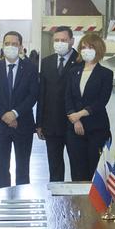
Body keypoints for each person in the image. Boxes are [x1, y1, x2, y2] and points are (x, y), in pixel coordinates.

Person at [0, 31, 38, 189]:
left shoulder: (31, 69)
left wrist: (14, 113)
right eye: (7, 43)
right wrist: (4, 115)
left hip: (23, 125)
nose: (10, 47)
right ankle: (3, 198)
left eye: (14, 44)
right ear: (2, 46)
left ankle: (22, 199)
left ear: (21, 46)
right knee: (1, 168)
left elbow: (32, 95)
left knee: (23, 167)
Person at [64, 33, 114, 182]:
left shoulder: (106, 74)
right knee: (77, 170)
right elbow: (68, 97)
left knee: (95, 170)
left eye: (90, 47)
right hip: (74, 129)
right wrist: (75, 119)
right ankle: (79, 202)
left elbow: (101, 100)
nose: (86, 50)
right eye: (83, 47)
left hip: (96, 129)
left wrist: (80, 114)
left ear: (98, 49)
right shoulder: (73, 71)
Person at [37, 26, 79, 182]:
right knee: (54, 167)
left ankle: (78, 201)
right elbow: (42, 95)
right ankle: (56, 199)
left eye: (63, 40)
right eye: (57, 40)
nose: (60, 43)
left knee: (78, 166)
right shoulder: (47, 62)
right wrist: (39, 123)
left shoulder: (81, 61)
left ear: (72, 41)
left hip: (73, 124)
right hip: (51, 124)